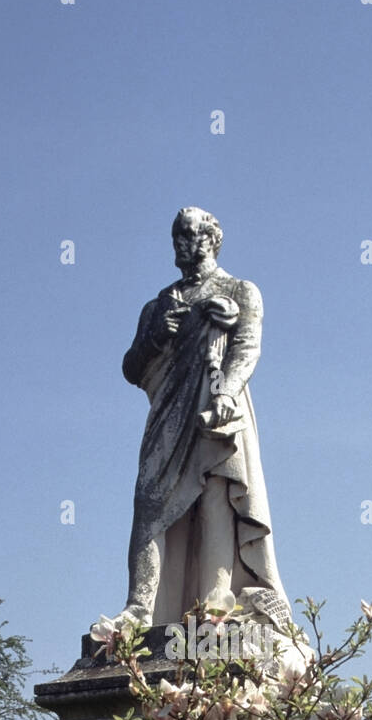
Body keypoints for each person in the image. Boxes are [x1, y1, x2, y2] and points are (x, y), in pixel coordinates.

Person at [113, 207, 290, 630]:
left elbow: (247, 347)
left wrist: (226, 391)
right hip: (168, 415)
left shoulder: (239, 290)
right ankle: (140, 609)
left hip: (217, 408)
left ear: (212, 239)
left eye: (190, 235)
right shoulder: (159, 305)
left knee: (215, 499)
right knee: (149, 505)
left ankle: (216, 606)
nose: (181, 244)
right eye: (176, 236)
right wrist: (156, 335)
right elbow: (132, 368)